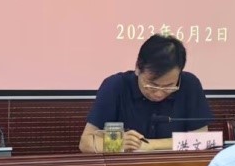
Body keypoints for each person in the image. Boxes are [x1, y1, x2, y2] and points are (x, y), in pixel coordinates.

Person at [80, 34, 213, 152]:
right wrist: (118, 143)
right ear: (138, 68)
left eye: (169, 87)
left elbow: (203, 138)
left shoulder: (189, 84)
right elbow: (86, 143)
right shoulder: (115, 86)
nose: (159, 93)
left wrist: (150, 145)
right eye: (152, 85)